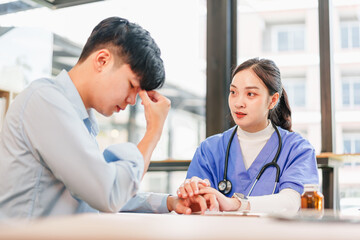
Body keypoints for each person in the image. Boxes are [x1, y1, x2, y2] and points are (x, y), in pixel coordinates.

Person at [0, 16, 200, 218]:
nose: (132, 101)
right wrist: (153, 132)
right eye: (131, 85)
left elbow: (100, 189)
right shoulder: (44, 100)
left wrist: (170, 202)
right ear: (102, 61)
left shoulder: (81, 118)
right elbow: (108, 194)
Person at [176, 58, 319, 214]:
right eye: (233, 92)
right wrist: (194, 194)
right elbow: (196, 208)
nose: (238, 103)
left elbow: (292, 202)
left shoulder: (297, 149)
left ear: (273, 100)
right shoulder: (210, 149)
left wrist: (236, 204)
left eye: (250, 94)